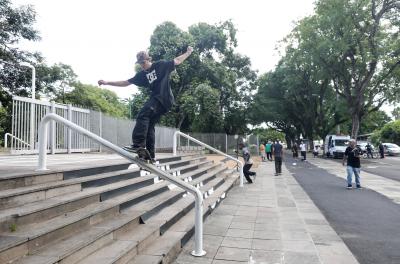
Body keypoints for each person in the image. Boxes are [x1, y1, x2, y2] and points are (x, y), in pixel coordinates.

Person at [98, 47, 193, 161]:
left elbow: (177, 60)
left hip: (164, 98)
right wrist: (107, 82)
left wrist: (188, 52)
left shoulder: (160, 65)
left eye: (143, 63)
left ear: (149, 60)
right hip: (160, 103)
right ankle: (150, 156)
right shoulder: (141, 75)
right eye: (140, 64)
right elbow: (126, 82)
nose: (142, 66)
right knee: (149, 126)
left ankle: (138, 144)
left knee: (143, 114)